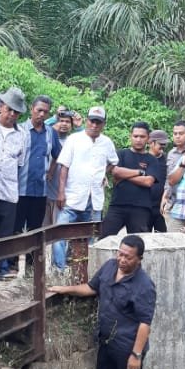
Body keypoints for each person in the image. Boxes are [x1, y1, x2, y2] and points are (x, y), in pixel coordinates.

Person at [48, 234, 156, 369]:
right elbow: (91, 288)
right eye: (120, 253)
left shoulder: (144, 286)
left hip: (128, 347)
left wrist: (136, 355)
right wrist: (65, 289)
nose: (122, 259)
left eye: (128, 257)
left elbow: (145, 323)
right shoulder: (109, 267)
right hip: (107, 341)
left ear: (139, 259)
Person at [53, 106, 118, 269]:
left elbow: (113, 162)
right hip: (72, 196)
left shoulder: (107, 142)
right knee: (59, 234)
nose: (94, 125)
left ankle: (82, 270)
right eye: (91, 121)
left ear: (103, 124)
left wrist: (103, 173)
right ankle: (60, 269)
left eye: (98, 122)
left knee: (89, 238)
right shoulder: (74, 139)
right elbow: (64, 167)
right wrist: (61, 192)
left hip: (94, 198)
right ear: (87, 121)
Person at [11, 95, 61, 271]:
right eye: (39, 110)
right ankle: (13, 266)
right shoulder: (19, 129)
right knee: (15, 229)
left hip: (40, 191)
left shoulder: (50, 133)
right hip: (19, 189)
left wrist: (51, 172)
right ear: (32, 108)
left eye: (45, 112)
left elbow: (58, 154)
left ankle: (32, 268)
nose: (41, 114)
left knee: (35, 230)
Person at [0, 87, 28, 279]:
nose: (12, 114)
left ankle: (0, 268)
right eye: (9, 109)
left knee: (4, 232)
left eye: (16, 112)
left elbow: (20, 162)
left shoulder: (22, 134)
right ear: (1, 106)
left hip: (8, 189)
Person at [99, 122, 159, 237]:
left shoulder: (152, 160)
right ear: (130, 136)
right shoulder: (120, 154)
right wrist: (140, 172)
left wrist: (124, 176)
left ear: (148, 138)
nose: (138, 139)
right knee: (103, 239)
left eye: (142, 137)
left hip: (141, 208)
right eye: (135, 136)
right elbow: (116, 172)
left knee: (139, 244)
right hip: (117, 205)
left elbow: (148, 182)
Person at [46, 107, 75, 225]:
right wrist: (53, 118)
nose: (64, 124)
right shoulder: (46, 137)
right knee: (43, 231)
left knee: (59, 231)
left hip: (64, 194)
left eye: (67, 122)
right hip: (45, 192)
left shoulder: (73, 141)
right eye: (61, 120)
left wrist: (79, 127)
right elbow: (41, 125)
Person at [160, 120, 185, 219]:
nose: (177, 136)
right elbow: (168, 177)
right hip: (173, 200)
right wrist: (165, 196)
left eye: (181, 133)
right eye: (175, 134)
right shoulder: (171, 153)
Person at [147, 130, 169, 232]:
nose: (163, 146)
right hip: (145, 207)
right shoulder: (143, 158)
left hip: (161, 207)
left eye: (165, 144)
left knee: (163, 237)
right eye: (161, 144)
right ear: (151, 143)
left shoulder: (167, 160)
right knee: (143, 237)